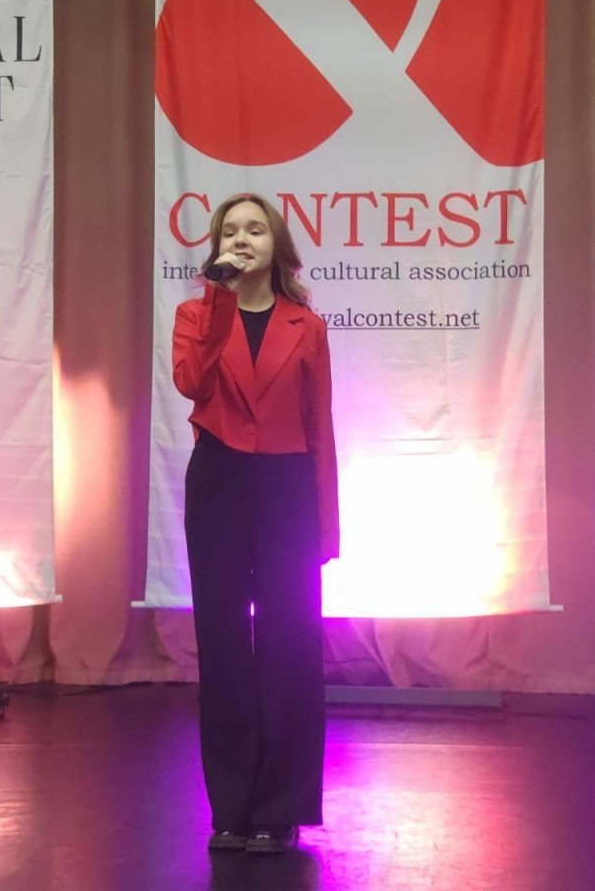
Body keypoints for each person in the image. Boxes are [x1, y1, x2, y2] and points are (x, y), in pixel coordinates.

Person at [172, 193, 339, 855]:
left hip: (287, 485)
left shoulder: (307, 325)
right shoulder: (196, 314)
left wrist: (327, 525)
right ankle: (232, 809)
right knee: (222, 643)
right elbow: (192, 383)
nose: (242, 239)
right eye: (230, 232)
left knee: (289, 641)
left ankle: (280, 808)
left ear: (277, 246)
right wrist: (219, 299)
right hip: (218, 481)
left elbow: (321, 428)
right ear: (217, 247)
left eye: (255, 230)